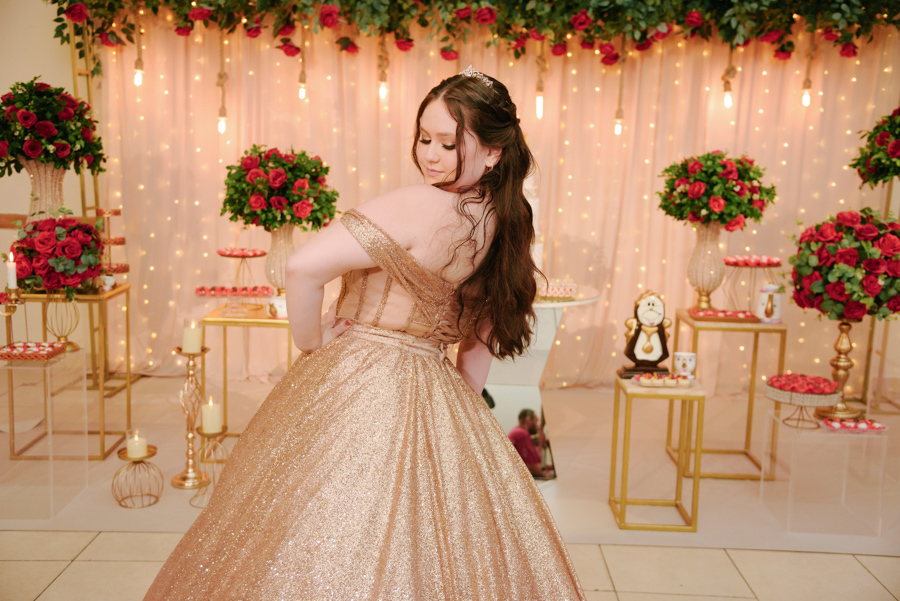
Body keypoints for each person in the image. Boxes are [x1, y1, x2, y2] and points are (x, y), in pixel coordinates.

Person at [145, 68, 585, 600]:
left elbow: (303, 268)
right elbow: (480, 343)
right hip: (436, 383)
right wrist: (455, 424)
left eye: (448, 142)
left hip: (360, 373)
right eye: (424, 138)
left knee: (313, 531)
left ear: (493, 152)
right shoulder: (506, 224)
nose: (431, 154)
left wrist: (312, 341)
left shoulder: (420, 204)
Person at [509, 408, 554, 479]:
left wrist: (549, 466)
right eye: (536, 421)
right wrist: (547, 475)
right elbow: (530, 466)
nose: (537, 425)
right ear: (528, 420)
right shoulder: (522, 434)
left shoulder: (516, 431)